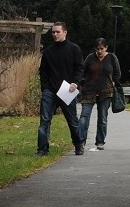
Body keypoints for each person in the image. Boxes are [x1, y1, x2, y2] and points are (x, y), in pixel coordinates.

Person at [37, 21, 84, 156]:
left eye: (58, 32)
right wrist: (45, 88)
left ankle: (78, 144)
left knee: (72, 120)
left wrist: (75, 82)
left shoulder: (74, 49)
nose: (55, 34)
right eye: (53, 32)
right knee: (45, 120)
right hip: (50, 91)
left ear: (65, 32)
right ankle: (42, 149)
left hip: (67, 90)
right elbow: (43, 71)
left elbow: (80, 68)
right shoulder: (48, 52)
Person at [77, 37, 121, 152]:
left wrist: (113, 81)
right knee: (84, 116)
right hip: (89, 91)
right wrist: (81, 82)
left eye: (102, 49)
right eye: (97, 49)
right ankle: (81, 141)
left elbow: (117, 73)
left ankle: (100, 141)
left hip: (105, 92)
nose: (99, 51)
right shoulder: (90, 58)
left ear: (106, 48)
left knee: (102, 117)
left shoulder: (112, 58)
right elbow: (82, 71)